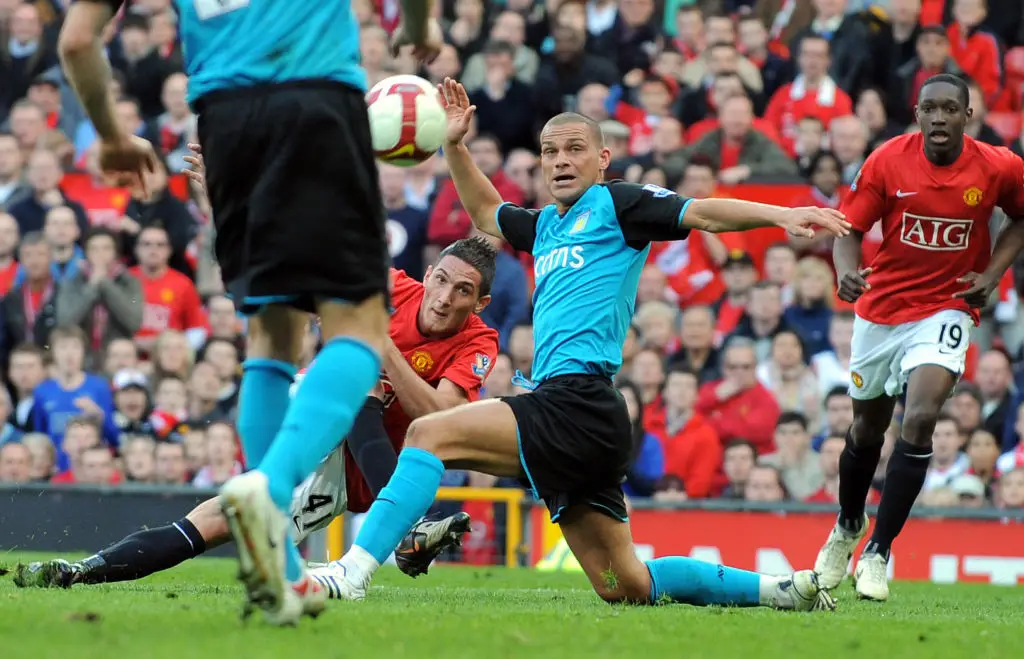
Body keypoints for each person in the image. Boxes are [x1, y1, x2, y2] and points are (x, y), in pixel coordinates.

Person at [315, 78, 848, 611]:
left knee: (429, 432)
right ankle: (781, 591)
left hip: (577, 400)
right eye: (550, 151)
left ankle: (353, 571)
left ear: (602, 159)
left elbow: (702, 212)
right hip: (583, 420)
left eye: (574, 149)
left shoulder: (618, 204)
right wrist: (453, 145)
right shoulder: (546, 225)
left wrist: (780, 215)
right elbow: (485, 215)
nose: (560, 161)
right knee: (627, 585)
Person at [59, 0, 443, 625]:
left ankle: (287, 575)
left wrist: (109, 137)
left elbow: (76, 42)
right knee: (360, 327)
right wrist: (420, 29)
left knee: (272, 334)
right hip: (319, 100)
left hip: (226, 124)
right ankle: (265, 488)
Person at [15, 238, 500, 596]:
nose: (444, 297)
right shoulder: (391, 287)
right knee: (210, 517)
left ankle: (399, 527)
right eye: (440, 279)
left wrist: (383, 345)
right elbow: (296, 291)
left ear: (479, 303)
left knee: (226, 520)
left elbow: (440, 419)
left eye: (462, 291)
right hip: (318, 414)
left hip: (361, 478)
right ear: (429, 271)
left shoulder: (479, 341)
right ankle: (79, 571)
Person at [813, 74, 1024, 603]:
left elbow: (1021, 218)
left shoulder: (1000, 166)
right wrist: (845, 271)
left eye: (949, 109)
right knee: (866, 430)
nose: (937, 118)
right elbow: (848, 228)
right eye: (928, 109)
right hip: (882, 310)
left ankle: (879, 551)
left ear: (966, 116)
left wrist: (993, 273)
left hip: (948, 306)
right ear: (916, 113)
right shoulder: (888, 160)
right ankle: (847, 525)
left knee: (922, 416)